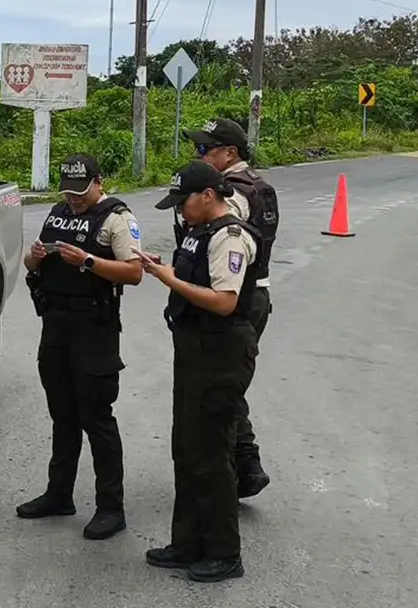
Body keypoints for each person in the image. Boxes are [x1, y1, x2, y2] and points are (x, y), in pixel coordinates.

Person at [139, 160, 259, 583]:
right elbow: (195, 277)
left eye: (183, 201)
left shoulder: (230, 237)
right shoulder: (198, 230)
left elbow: (225, 301)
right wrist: (165, 269)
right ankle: (187, 542)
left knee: (211, 454)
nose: (179, 210)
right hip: (194, 347)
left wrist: (168, 279)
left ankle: (225, 553)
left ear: (208, 195)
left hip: (221, 351)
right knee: (187, 448)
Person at [16, 153, 144, 541]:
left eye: (80, 192)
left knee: (97, 417)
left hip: (94, 328)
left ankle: (111, 507)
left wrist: (88, 261)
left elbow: (134, 272)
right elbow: (30, 264)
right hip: (56, 324)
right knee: (63, 414)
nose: (73, 199)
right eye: (68, 192)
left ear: (98, 182)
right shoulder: (58, 213)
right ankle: (59, 494)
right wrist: (36, 257)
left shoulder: (116, 218)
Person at [182, 118, 279, 499]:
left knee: (219, 387)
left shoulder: (231, 194)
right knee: (227, 384)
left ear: (230, 153)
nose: (199, 155)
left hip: (234, 297)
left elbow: (222, 228)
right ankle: (244, 464)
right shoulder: (260, 185)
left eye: (206, 149)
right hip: (256, 292)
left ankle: (234, 470)